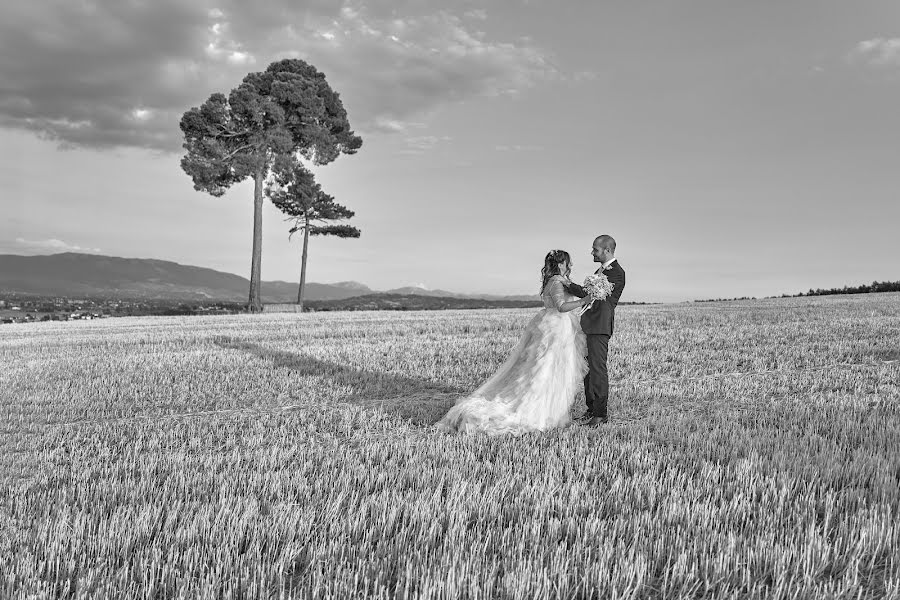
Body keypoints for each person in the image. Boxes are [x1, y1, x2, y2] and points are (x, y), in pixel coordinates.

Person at [435, 250, 590, 434]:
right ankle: (542, 413)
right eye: (567, 263)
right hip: (556, 328)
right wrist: (585, 300)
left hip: (551, 324)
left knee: (547, 369)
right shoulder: (557, 281)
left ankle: (552, 412)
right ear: (560, 264)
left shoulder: (556, 281)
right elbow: (562, 306)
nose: (570, 266)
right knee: (549, 370)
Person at [564, 235, 626, 426]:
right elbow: (590, 293)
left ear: (607, 250)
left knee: (598, 369)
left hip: (600, 326)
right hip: (590, 325)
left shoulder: (616, 272)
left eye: (595, 249)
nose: (592, 252)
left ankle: (600, 414)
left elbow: (589, 294)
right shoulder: (600, 270)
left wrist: (567, 283)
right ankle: (591, 409)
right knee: (589, 370)